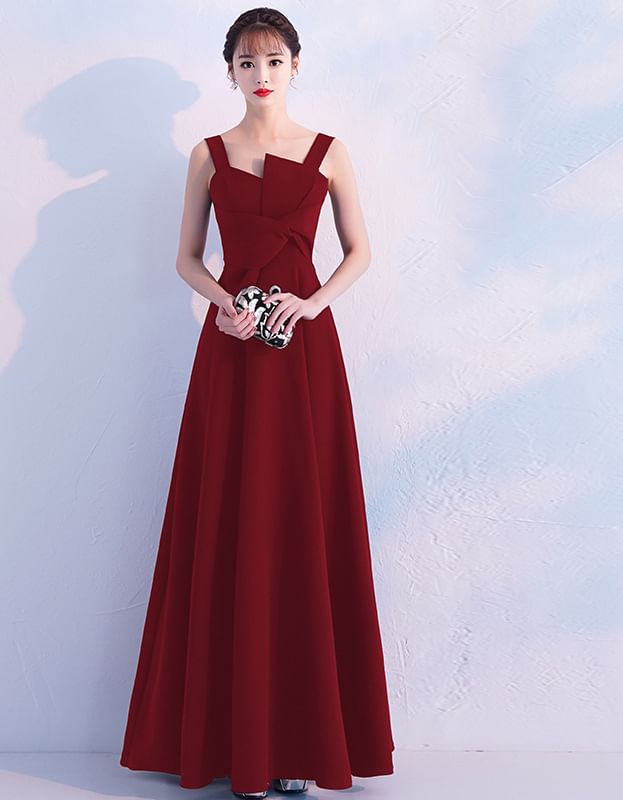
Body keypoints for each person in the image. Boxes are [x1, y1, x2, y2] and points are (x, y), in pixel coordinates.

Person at [118, 8, 395, 798]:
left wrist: (310, 305)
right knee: (230, 516)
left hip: (304, 354)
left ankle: (297, 746)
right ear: (230, 71)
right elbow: (186, 259)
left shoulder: (329, 151)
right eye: (247, 61)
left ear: (296, 66)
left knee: (301, 519)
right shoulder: (207, 156)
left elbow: (360, 252)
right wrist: (224, 306)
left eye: (274, 59)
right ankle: (230, 745)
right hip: (232, 353)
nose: (261, 73)